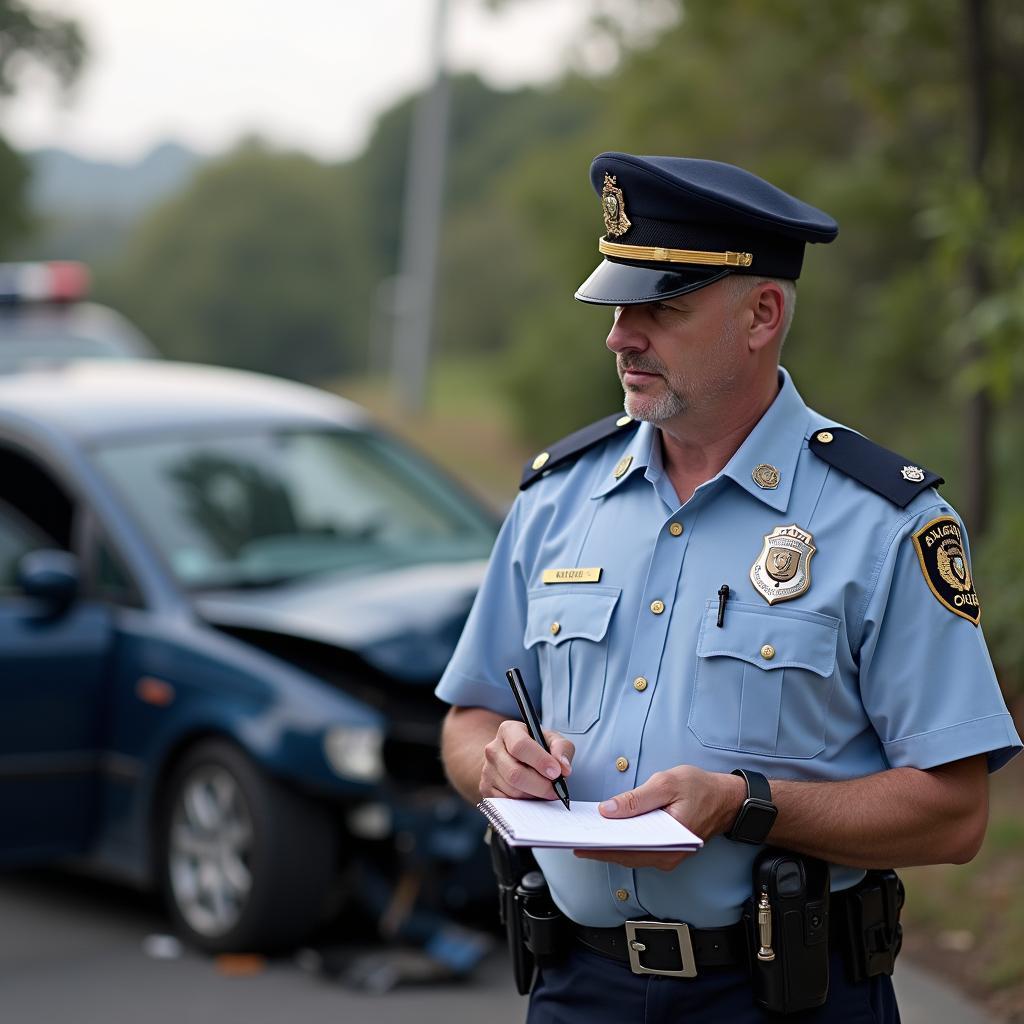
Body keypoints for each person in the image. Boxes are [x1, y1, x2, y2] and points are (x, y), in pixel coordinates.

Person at [436, 152, 1022, 1023]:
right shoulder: (557, 498)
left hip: (784, 995)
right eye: (614, 305)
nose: (619, 335)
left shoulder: (884, 522)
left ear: (762, 313)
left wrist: (745, 806)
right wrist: (493, 763)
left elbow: (953, 814)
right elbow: (466, 720)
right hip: (574, 989)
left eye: (660, 307)